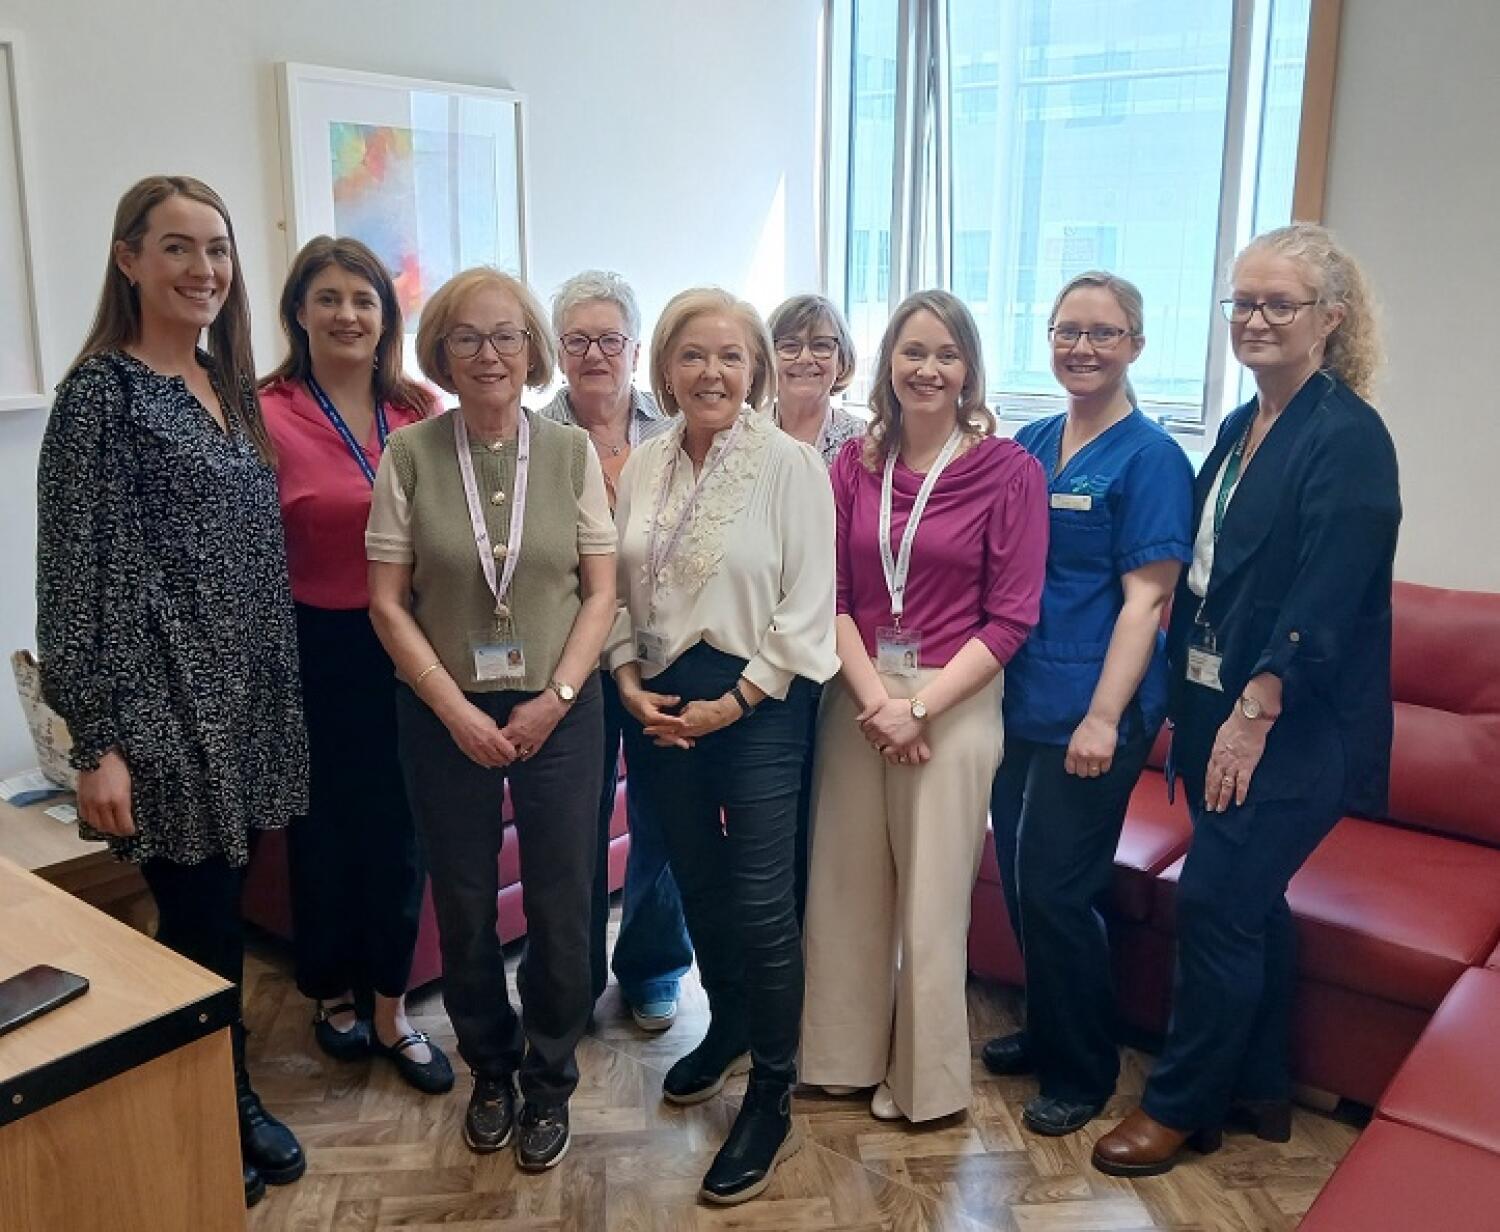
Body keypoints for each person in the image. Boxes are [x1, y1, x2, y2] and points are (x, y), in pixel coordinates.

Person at [1092, 224, 1401, 1176]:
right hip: (1213, 700)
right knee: (1252, 906)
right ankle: (1262, 1084)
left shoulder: (1348, 438)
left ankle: (1178, 1107)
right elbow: (1212, 569)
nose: (1255, 320)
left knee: (1217, 904)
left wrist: (1255, 712)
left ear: (1330, 318)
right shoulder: (1242, 423)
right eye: (1243, 302)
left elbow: (1326, 596)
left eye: (1279, 304)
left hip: (1292, 726)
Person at [36, 175, 308, 1208]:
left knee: (220, 914)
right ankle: (211, 1104)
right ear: (129, 259)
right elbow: (70, 577)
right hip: (163, 705)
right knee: (196, 921)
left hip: (246, 699)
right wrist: (95, 741)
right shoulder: (100, 395)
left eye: (219, 249)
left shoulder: (224, 383)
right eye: (179, 247)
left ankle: (217, 1084)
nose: (204, 269)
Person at [366, 267, 617, 1171]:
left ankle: (550, 1078)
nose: (488, 354)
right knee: (466, 902)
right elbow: (387, 603)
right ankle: (491, 1069)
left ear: (531, 349)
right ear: (441, 351)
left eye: (507, 335)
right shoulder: (409, 455)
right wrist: (454, 709)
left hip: (562, 706)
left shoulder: (572, 454)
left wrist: (557, 698)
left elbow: (601, 592)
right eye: (467, 337)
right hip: (444, 712)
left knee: (562, 898)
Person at [606, 287, 837, 1204]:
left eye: (730, 356)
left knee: (760, 897)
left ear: (756, 370)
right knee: (696, 878)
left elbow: (808, 607)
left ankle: (772, 1090)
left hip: (759, 702)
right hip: (659, 700)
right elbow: (617, 589)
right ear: (665, 367)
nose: (711, 373)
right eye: (692, 355)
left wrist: (735, 703)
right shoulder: (643, 464)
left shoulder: (792, 466)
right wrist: (626, 677)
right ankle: (730, 1023)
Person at [801, 289, 1048, 1125]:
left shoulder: (1009, 471)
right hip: (858, 692)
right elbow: (831, 594)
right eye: (913, 351)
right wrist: (878, 702)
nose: (929, 368)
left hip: (955, 698)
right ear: (888, 364)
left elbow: (1011, 617)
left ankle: (924, 1084)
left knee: (933, 900)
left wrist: (921, 710)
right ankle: (840, 1057)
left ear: (969, 368)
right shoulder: (852, 465)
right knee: (844, 886)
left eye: (947, 354)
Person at [981, 272, 1193, 1137]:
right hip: (1021, 696)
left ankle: (1084, 1068)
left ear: (1136, 345)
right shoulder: (1031, 442)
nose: (1083, 347)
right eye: (1068, 331)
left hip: (1095, 707)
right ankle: (1047, 1028)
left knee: (1059, 890)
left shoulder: (1152, 458)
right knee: (1023, 877)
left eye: (1104, 333)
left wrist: (1103, 718)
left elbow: (1147, 601)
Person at [259, 236, 452, 1094]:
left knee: (401, 831)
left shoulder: (420, 409)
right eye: (329, 298)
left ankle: (391, 1006)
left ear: (386, 316)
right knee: (326, 828)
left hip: (411, 642)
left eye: (363, 299)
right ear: (298, 311)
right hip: (317, 645)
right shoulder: (263, 413)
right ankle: (331, 991)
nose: (347, 315)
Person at [538, 270, 692, 1032]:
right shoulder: (534, 436)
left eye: (609, 339)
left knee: (662, 815)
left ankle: (653, 965)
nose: (594, 354)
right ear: (557, 349)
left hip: (665, 653)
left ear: (635, 347)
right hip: (573, 657)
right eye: (577, 340)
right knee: (575, 825)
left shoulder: (680, 426)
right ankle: (570, 979)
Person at [767, 294, 865, 466]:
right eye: (789, 346)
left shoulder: (864, 441)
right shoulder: (743, 435)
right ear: (768, 359)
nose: (805, 358)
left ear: (841, 361)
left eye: (821, 345)